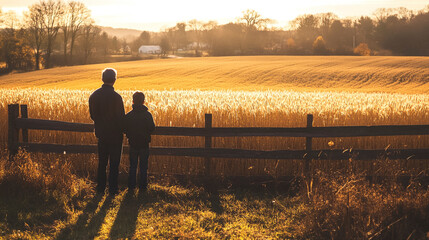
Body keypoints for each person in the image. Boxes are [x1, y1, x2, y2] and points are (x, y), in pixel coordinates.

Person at [89, 68, 125, 195]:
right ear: (114, 80)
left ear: (102, 79)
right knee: (114, 164)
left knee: (102, 163)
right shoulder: (117, 97)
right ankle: (113, 189)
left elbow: (92, 115)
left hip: (101, 134)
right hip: (115, 135)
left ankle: (100, 188)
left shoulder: (94, 95)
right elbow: (121, 117)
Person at [124, 91, 155, 191]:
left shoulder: (128, 115)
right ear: (143, 101)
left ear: (133, 101)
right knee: (143, 167)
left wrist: (129, 135)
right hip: (144, 144)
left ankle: (131, 187)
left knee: (132, 166)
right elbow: (152, 128)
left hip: (133, 144)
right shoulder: (148, 115)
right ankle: (143, 187)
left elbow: (125, 129)